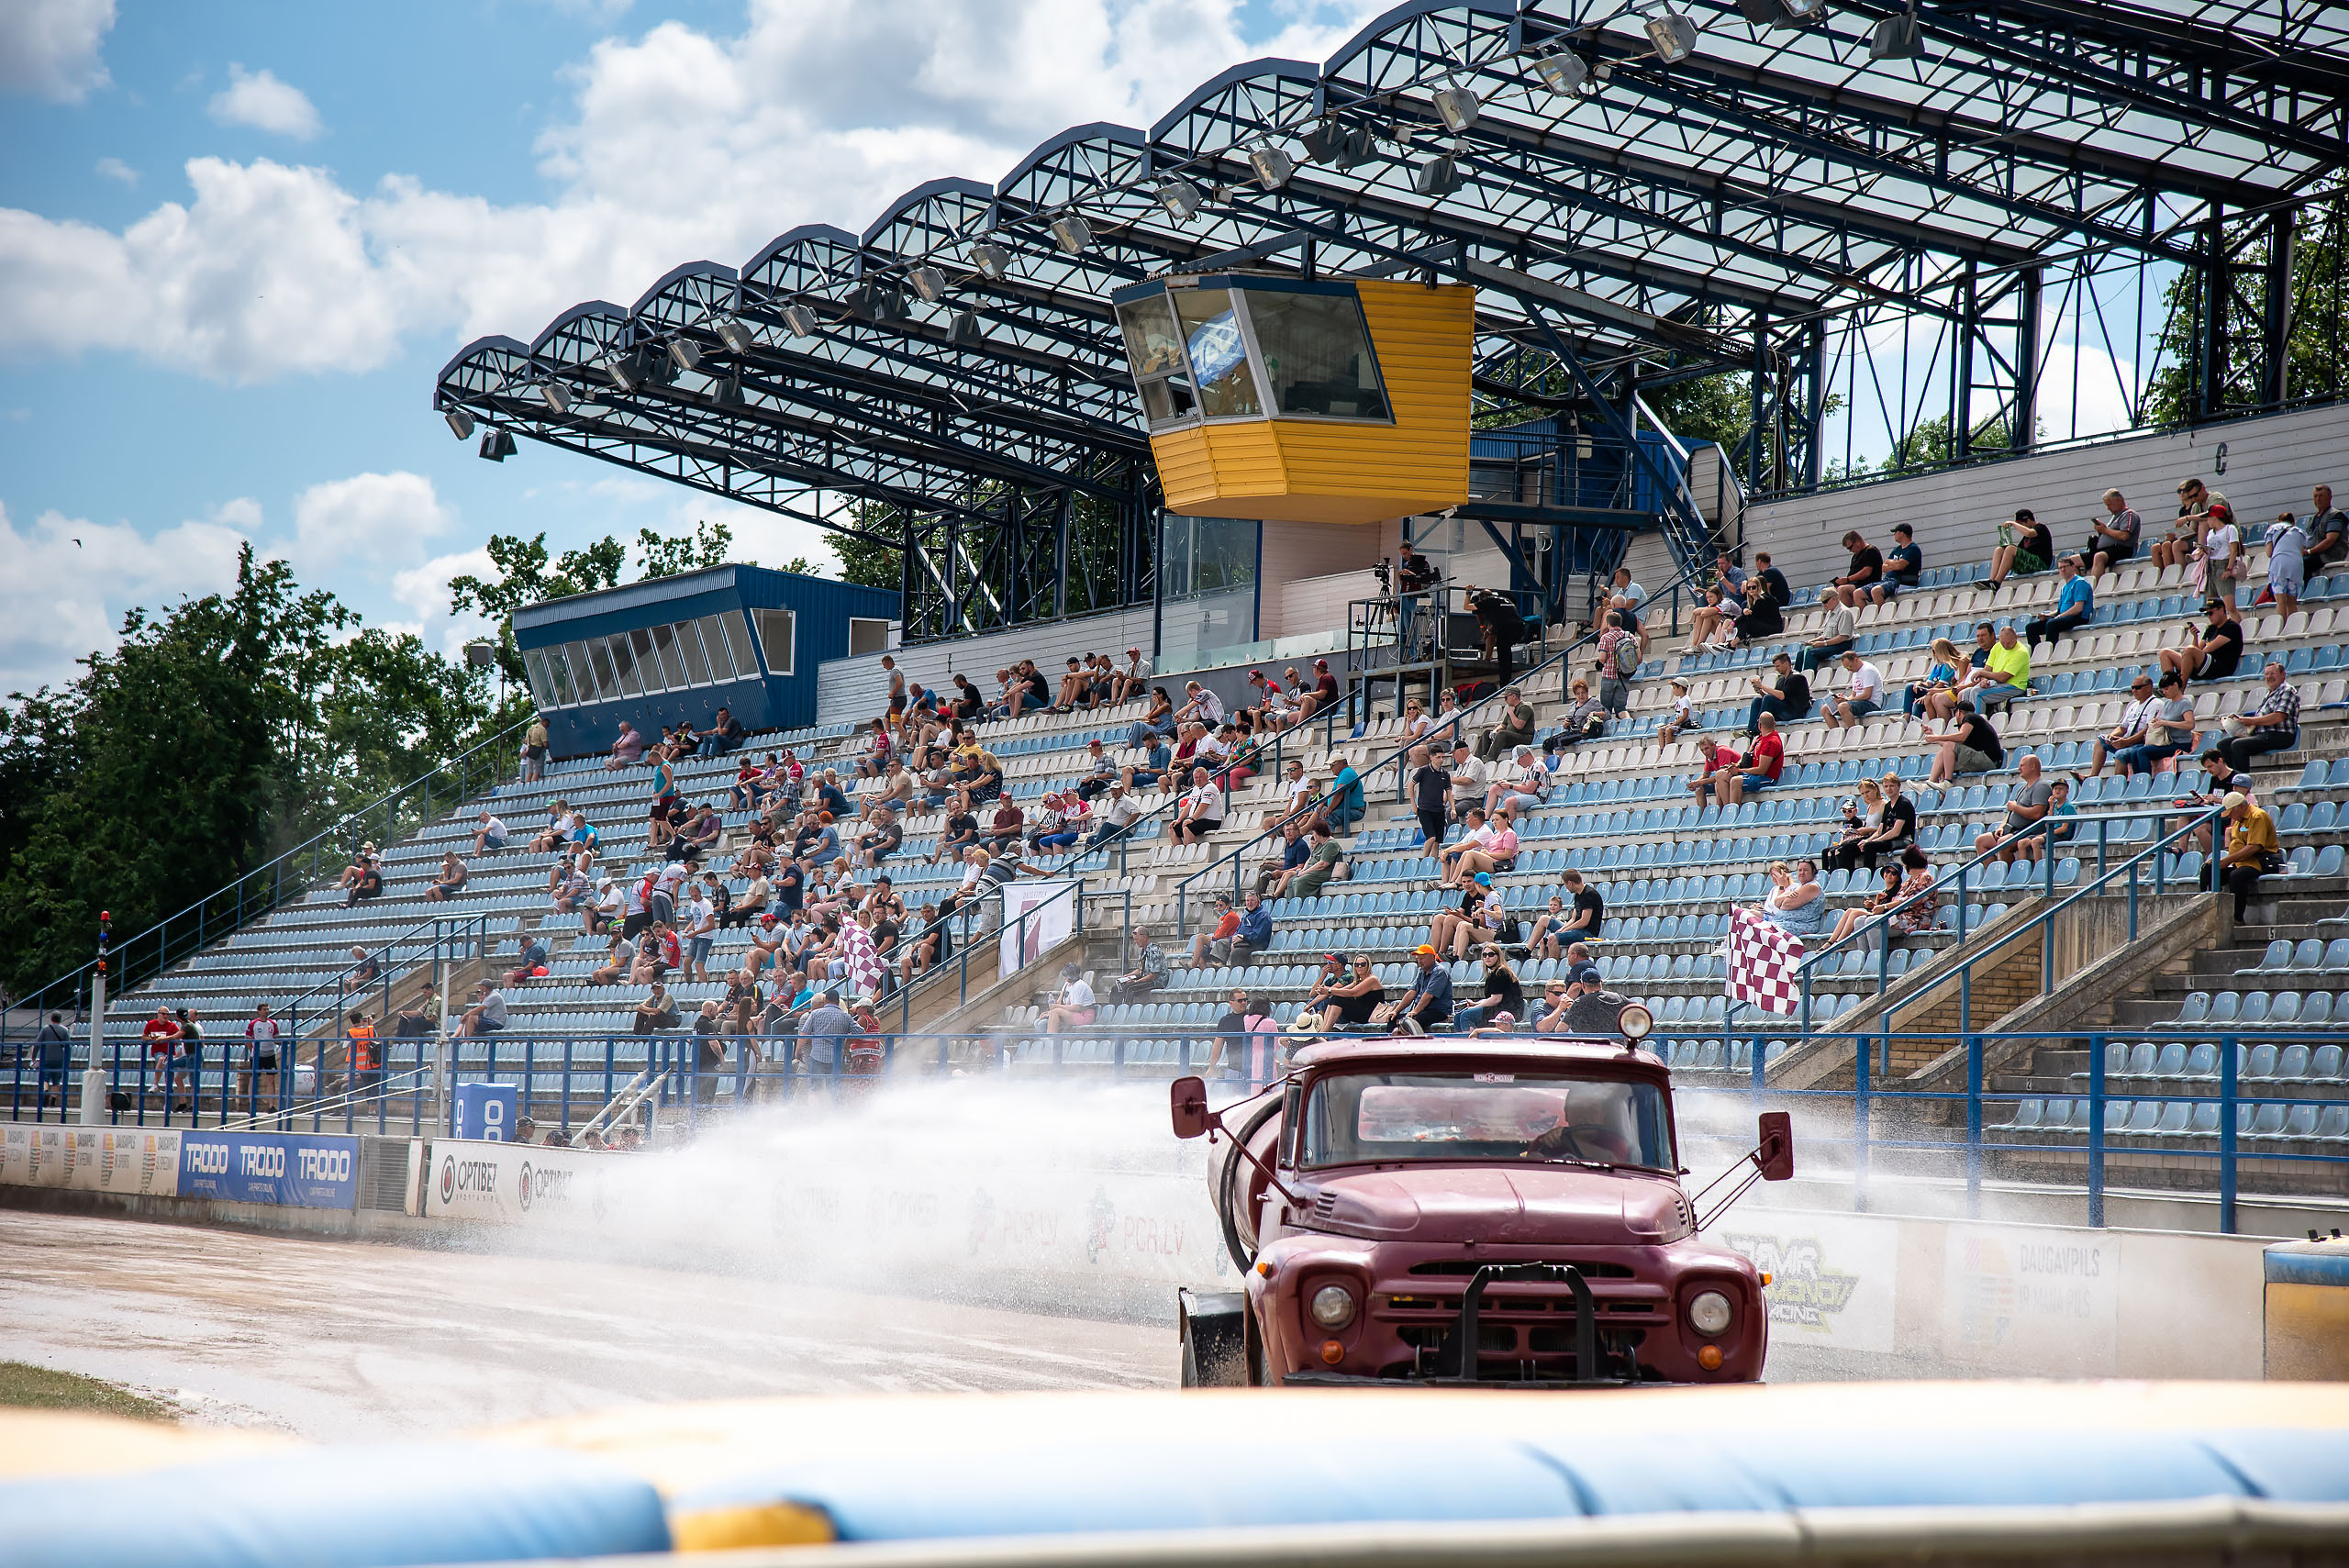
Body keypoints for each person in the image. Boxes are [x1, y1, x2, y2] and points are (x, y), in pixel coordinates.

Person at [2204, 791, 2281, 921]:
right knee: (2208, 870)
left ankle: (2237, 918)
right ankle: (2209, 913)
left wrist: (2228, 859)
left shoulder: (2257, 817)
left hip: (2261, 861)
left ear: (2240, 807)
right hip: (2241, 862)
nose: (2231, 817)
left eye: (2231, 813)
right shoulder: (2239, 821)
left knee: (2237, 876)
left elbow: (2255, 846)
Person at [2217, 661, 2299, 772]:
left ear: (2283, 674)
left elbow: (2279, 716)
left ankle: (2242, 783)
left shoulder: (2287, 691)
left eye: (2273, 673)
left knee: (2238, 745)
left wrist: (2252, 721)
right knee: (2223, 745)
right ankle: (2232, 779)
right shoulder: (2269, 693)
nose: (2269, 677)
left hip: (2281, 735)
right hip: (2263, 734)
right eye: (2266, 674)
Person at [1688, 710, 1784, 806]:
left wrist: (1739, 771)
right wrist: (1736, 765)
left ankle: (1731, 810)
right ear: (1774, 724)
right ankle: (1727, 809)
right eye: (1702, 750)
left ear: (1759, 725)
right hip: (1752, 774)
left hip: (1767, 778)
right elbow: (1746, 756)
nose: (1705, 752)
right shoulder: (1759, 738)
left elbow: (1762, 770)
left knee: (1735, 781)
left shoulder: (1770, 743)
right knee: (1721, 774)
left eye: (1706, 749)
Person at [1975, 754, 2054, 864]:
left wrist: (2015, 807)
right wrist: (2002, 826)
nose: (2019, 769)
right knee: (1981, 841)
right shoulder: (2022, 788)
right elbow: (2011, 812)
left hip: (2028, 831)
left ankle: (2009, 874)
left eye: (2022, 766)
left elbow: (2037, 814)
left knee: (2003, 843)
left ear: (2032, 766)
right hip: (2011, 830)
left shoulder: (2042, 787)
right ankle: (1995, 874)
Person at [2160, 595, 2244, 690]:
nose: (2209, 617)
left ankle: (2179, 691)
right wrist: (2195, 637)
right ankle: (2167, 687)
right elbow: (2198, 650)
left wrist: (2192, 653)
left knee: (2189, 650)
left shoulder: (2232, 627)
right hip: (2205, 666)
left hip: (2220, 667)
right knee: (2165, 653)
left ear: (2221, 610)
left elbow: (2207, 649)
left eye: (2210, 613)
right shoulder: (2211, 628)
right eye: (2206, 614)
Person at [1923, 698, 2004, 784]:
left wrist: (1936, 737)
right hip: (1981, 759)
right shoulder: (1973, 728)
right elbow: (1949, 748)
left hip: (1989, 761)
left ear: (1958, 712)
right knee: (1943, 753)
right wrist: (1933, 734)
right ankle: (1932, 783)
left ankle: (1947, 782)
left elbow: (1961, 737)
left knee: (1948, 746)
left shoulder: (1970, 716)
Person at [1379, 945, 1453, 1036]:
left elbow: (1428, 995)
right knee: (1393, 1019)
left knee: (1411, 1022)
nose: (1419, 961)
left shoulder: (1440, 972)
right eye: (1418, 958)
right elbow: (1412, 992)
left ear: (1432, 958)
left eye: (1422, 958)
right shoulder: (1422, 972)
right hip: (1423, 1011)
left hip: (1437, 1011)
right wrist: (1396, 1011)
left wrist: (1415, 1011)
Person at [1453, 945, 1526, 1032]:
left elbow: (1496, 999)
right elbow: (1491, 998)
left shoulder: (1500, 972)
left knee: (1466, 1015)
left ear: (1498, 956)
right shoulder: (1493, 973)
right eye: (1484, 955)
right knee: (1458, 1016)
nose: (1487, 957)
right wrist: (1475, 1004)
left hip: (1507, 1010)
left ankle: (1471, 1041)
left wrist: (1475, 1007)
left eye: (1491, 954)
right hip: (1496, 1007)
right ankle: (1461, 1041)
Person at [2074, 487, 2142, 578]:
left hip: (2121, 549)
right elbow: (2109, 533)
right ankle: (2078, 587)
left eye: (2109, 505)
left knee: (2099, 557)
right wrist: (2102, 531)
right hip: (2105, 550)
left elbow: (2124, 535)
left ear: (2118, 501)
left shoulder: (2129, 514)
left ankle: (2094, 588)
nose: (2108, 508)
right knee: (2070, 562)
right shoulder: (2114, 517)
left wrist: (2105, 530)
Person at [1312, 954, 1386, 1034]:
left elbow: (1352, 993)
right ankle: (1323, 1032)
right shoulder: (1357, 981)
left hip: (1371, 1013)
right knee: (1335, 997)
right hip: (1361, 1012)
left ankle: (1324, 1033)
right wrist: (1329, 991)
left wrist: (1329, 990)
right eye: (1357, 965)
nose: (1360, 967)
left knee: (1339, 999)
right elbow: (1341, 990)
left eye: (1363, 964)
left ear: (1368, 966)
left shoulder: (1372, 979)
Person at [1761, 860, 1831, 940]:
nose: (1802, 873)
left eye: (1806, 870)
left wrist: (1784, 898)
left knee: (1767, 933)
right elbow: (1777, 903)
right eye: (1800, 870)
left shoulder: (1812, 886)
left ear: (1813, 871)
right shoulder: (1798, 887)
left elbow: (1786, 905)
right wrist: (1785, 894)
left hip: (1802, 925)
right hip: (1784, 922)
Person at [1987, 508, 2053, 589]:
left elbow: (2029, 533)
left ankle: (1997, 583)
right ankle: (1991, 581)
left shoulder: (2040, 528)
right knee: (1999, 550)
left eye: (2022, 525)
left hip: (2040, 564)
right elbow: (2018, 551)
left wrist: (2012, 523)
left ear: (2028, 521)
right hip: (2027, 564)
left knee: (2010, 549)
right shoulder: (2025, 538)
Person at [1745, 651, 1810, 733]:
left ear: (1786, 663)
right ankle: (1750, 730)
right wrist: (1761, 692)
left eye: (1778, 666)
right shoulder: (1781, 680)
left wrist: (1762, 686)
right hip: (1784, 709)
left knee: (1768, 698)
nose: (1776, 669)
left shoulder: (1796, 677)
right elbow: (1773, 698)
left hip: (1795, 712)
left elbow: (1781, 696)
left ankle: (1757, 729)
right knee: (1757, 700)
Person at [1823, 649, 1886, 730]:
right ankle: (1836, 734)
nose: (1849, 670)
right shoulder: (1855, 673)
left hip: (1871, 703)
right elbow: (1854, 694)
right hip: (1859, 702)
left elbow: (1867, 695)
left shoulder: (1868, 670)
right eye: (1846, 668)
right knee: (1825, 709)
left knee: (1843, 707)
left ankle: (1853, 732)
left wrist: (1848, 700)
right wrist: (1843, 698)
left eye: (1849, 666)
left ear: (1855, 660)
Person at [1905, 637, 1965, 718]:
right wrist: (1919, 683)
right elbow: (1929, 683)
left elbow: (1942, 684)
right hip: (1935, 689)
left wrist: (1928, 693)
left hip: (1944, 690)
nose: (1933, 654)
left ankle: (1926, 725)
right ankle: (1906, 716)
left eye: (1934, 651)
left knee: (1920, 703)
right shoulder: (1938, 666)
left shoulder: (1949, 664)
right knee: (1910, 687)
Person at [2264, 509, 2308, 616]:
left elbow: (2269, 553)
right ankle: (2292, 628)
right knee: (2292, 604)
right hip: (2296, 566)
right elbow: (2302, 551)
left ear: (2279, 521)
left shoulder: (2272, 529)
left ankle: (2282, 629)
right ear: (2293, 522)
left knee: (2281, 602)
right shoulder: (2300, 532)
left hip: (2279, 565)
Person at [1478, 685, 1537, 762]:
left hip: (1524, 737)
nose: (1505, 701)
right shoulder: (1511, 708)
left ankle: (1490, 758)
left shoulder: (1525, 707)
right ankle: (1478, 759)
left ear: (1513, 696)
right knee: (1487, 733)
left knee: (1502, 734)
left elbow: (1519, 726)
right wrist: (1495, 731)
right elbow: (1503, 725)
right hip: (1511, 736)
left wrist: (1512, 714)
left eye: (1506, 698)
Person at [1288, 822, 1346, 899]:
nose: (1313, 835)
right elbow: (1311, 858)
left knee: (1300, 882)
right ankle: (1292, 903)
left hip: (1325, 872)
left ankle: (1302, 904)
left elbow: (1323, 864)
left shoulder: (1331, 844)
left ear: (1319, 833)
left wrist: (1305, 872)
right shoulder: (1319, 843)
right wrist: (1304, 870)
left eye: (1314, 833)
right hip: (1313, 871)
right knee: (1291, 881)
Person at [1186, 894, 1244, 969]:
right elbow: (1217, 933)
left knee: (1200, 937)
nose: (1218, 908)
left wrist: (1210, 939)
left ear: (1227, 905)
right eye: (1217, 906)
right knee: (1197, 953)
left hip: (1226, 942)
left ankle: (1192, 966)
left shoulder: (1231, 916)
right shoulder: (1222, 918)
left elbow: (1219, 935)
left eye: (1221, 905)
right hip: (1219, 940)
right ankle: (1207, 974)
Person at [243, 1003, 283, 1112]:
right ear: (259, 1011)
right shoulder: (253, 1024)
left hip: (270, 1054)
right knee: (253, 1079)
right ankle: (251, 1104)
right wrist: (252, 1051)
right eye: (264, 1009)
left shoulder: (273, 1023)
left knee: (271, 1080)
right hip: (257, 1055)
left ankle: (271, 1105)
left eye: (268, 1009)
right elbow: (248, 1039)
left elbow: (275, 1038)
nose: (266, 1011)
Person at [1829, 530, 1882, 607]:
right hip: (1856, 584)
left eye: (1850, 547)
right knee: (1828, 593)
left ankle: (1847, 615)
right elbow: (1852, 573)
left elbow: (1866, 572)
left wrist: (1848, 579)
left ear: (1857, 542)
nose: (1850, 550)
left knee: (1843, 590)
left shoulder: (1870, 551)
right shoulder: (1855, 556)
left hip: (1868, 583)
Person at [1173, 768, 1225, 845]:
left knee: (1187, 827)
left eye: (1200, 777)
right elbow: (1188, 806)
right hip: (1198, 820)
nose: (1198, 780)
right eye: (1196, 778)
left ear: (1207, 777)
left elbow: (1203, 806)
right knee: (1172, 828)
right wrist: (1179, 820)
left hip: (1212, 821)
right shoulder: (1196, 788)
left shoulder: (1210, 787)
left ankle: (1190, 853)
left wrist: (1192, 819)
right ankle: (1180, 853)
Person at [1041, 964, 1097, 1034]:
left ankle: (1051, 1040)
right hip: (1071, 1013)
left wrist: (1056, 1008)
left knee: (1056, 1012)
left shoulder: (1080, 985)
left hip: (1084, 1015)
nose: (1064, 977)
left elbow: (1076, 1008)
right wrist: (1050, 1010)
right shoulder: (1066, 984)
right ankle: (1044, 1039)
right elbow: (1058, 1003)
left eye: (1066, 975)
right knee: (1041, 1021)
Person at [2300, 484, 2345, 569]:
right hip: (2314, 554)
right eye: (2315, 496)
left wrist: (2309, 552)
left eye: (2321, 496)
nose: (2318, 499)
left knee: (2300, 565)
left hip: (2328, 555)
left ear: (2330, 497)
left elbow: (2330, 540)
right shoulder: (2313, 518)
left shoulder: (2335, 515)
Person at [170, 1007, 204, 1115]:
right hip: (186, 1056)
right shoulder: (185, 1026)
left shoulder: (196, 1027)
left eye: (192, 1016)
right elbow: (184, 1045)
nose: (190, 1017)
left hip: (192, 1056)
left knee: (193, 1082)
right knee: (178, 1078)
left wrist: (161, 1039)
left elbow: (201, 1043)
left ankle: (195, 1106)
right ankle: (183, 1103)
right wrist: (177, 1055)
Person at [34, 1011, 72, 1109]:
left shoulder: (45, 1029)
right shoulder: (64, 1030)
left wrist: (33, 1056)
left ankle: (46, 1092)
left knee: (44, 1079)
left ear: (51, 1018)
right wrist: (68, 1059)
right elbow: (68, 1046)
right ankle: (53, 1102)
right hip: (59, 1058)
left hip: (46, 1057)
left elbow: (37, 1043)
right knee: (56, 1081)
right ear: (60, 1019)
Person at [1878, 523, 1922, 602]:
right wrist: (1895, 564)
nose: (1894, 534)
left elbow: (1900, 566)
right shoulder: (1897, 549)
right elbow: (1883, 567)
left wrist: (1892, 564)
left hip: (1903, 582)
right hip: (1889, 580)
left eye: (1896, 532)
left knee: (1876, 591)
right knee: (1860, 593)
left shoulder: (1912, 549)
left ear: (1902, 533)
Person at [1658, 677, 1704, 744]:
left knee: (1668, 730)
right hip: (1678, 723)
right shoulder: (1680, 700)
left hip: (1684, 724)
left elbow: (1685, 715)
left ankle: (1668, 749)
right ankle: (1662, 751)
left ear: (1680, 688)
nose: (1673, 691)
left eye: (1674, 688)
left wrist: (1673, 724)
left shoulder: (1685, 700)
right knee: (1660, 730)